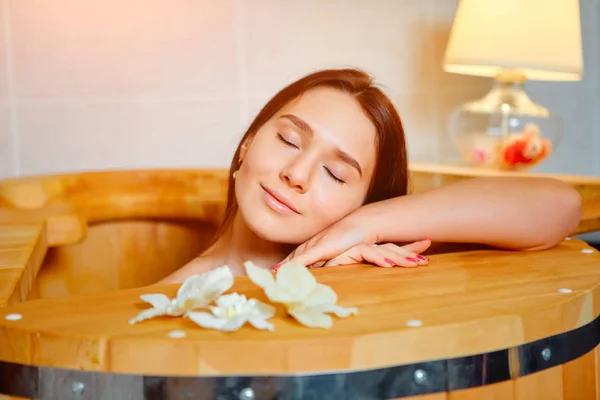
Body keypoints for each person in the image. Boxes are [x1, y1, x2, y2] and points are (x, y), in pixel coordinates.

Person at [159, 68, 582, 283]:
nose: (297, 174)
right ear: (249, 143)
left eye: (336, 174)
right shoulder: (166, 298)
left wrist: (366, 225)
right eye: (289, 140)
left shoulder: (368, 257)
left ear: (363, 200)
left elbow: (561, 205)